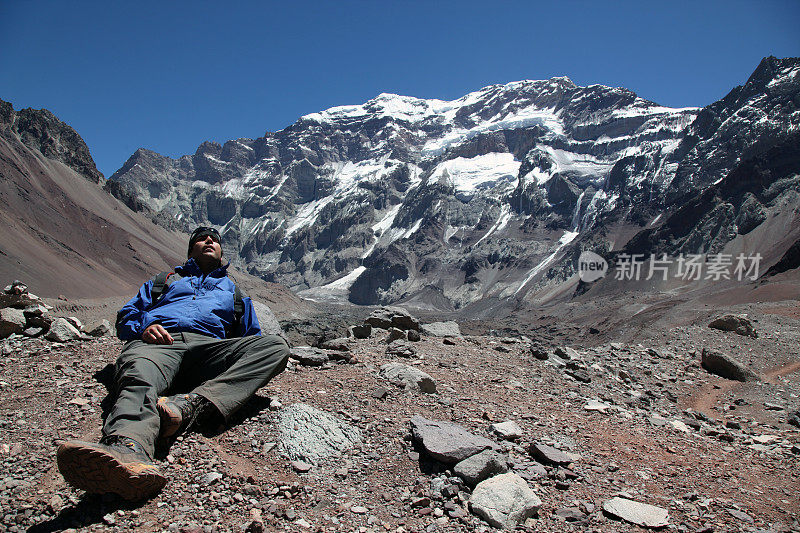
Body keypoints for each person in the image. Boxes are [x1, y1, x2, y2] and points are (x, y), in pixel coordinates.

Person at [56, 227, 289, 500]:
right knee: (139, 376)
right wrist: (145, 325)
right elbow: (126, 317)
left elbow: (251, 339)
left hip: (207, 350)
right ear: (191, 249)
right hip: (159, 343)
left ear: (222, 250)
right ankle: (128, 449)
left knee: (274, 347)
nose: (209, 240)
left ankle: (189, 406)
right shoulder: (164, 280)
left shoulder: (235, 293)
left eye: (214, 239)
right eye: (202, 238)